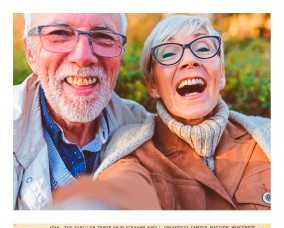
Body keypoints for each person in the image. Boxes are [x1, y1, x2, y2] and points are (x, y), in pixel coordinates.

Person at [67, 14, 268, 210]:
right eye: (169, 53)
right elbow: (122, 188)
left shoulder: (268, 134)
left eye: (203, 48)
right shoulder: (132, 150)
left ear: (222, 74)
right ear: (152, 85)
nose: (189, 60)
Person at [13, 13, 159, 210]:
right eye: (59, 34)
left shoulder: (144, 128)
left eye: (103, 37)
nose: (82, 57)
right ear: (30, 52)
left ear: (121, 53)